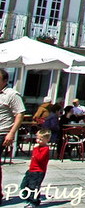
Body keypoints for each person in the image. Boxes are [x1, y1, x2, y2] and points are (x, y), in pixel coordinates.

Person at [0, 68, 26, 203]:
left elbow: (20, 114)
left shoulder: (12, 94)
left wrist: (11, 133)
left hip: (2, 132)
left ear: (5, 81)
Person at [20, 128, 51, 208]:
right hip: (32, 170)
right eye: (37, 138)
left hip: (38, 171)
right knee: (25, 185)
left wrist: (35, 149)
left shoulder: (45, 149)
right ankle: (29, 198)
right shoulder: (39, 147)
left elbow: (39, 158)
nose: (38, 141)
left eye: (41, 139)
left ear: (47, 139)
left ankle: (34, 202)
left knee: (34, 187)